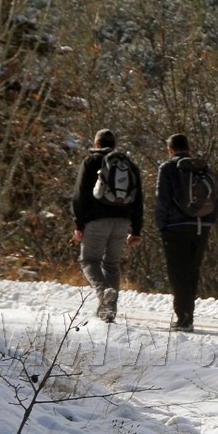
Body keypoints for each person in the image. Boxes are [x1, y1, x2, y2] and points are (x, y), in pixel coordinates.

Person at [72, 129, 144, 323]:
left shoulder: (91, 162)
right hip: (122, 221)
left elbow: (79, 195)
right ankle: (108, 312)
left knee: (88, 261)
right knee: (111, 265)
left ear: (96, 144)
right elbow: (138, 199)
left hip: (96, 220)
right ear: (114, 145)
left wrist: (79, 223)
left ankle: (105, 292)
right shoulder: (129, 165)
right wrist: (136, 229)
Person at [154, 133, 218, 331]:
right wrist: (209, 221)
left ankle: (184, 317)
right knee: (192, 271)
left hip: (176, 227)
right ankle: (188, 314)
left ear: (170, 149)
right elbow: (216, 195)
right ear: (188, 148)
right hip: (202, 227)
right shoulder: (203, 167)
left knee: (177, 273)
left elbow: (162, 198)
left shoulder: (168, 168)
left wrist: (161, 224)